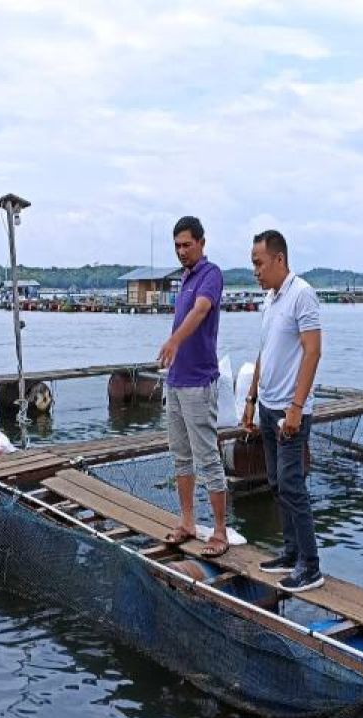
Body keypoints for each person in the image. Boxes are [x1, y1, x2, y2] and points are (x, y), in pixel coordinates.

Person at [241, 229, 324, 592]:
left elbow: (312, 351)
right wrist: (249, 398)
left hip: (291, 410)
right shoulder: (270, 300)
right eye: (253, 265)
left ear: (279, 259)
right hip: (267, 406)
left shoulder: (302, 295)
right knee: (276, 482)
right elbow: (264, 352)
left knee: (292, 484)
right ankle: (291, 553)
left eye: (259, 263)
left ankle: (312, 565)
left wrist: (297, 406)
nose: (256, 271)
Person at [157, 216, 229, 556]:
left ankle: (219, 531)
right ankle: (187, 521)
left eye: (187, 244)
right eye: (177, 246)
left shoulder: (210, 274)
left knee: (208, 458)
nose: (182, 251)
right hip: (175, 381)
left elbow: (201, 311)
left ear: (201, 242)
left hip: (199, 383)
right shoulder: (184, 278)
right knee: (180, 457)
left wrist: (174, 341)